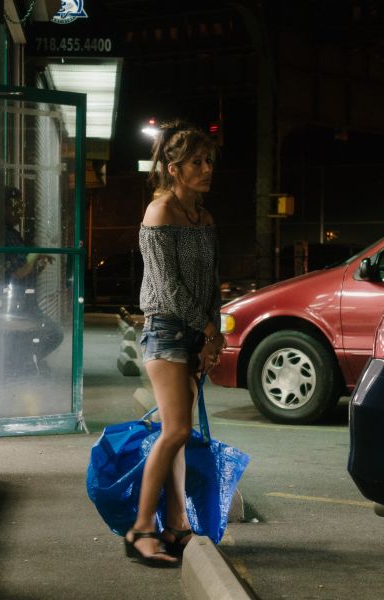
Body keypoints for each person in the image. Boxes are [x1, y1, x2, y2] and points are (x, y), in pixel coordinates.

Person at [125, 120, 225, 567]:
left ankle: (177, 525)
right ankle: (141, 530)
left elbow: (212, 282)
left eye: (209, 161)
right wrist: (207, 330)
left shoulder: (204, 217)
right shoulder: (159, 212)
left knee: (179, 435)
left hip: (196, 333)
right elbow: (167, 288)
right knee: (176, 431)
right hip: (165, 329)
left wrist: (212, 333)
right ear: (174, 168)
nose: (206, 169)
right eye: (196, 162)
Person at [2, 186, 63, 376]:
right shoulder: (3, 235)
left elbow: (24, 269)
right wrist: (35, 255)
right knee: (52, 333)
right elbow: (18, 272)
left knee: (51, 333)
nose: (18, 212)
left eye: (20, 206)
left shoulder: (13, 234)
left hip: (24, 301)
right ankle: (23, 364)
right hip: (15, 302)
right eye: (13, 206)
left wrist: (36, 265)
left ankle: (24, 363)